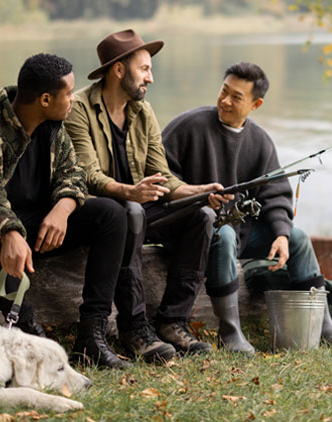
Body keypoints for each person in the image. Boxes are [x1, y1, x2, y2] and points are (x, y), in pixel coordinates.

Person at [0, 53, 136, 370]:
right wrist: (9, 233)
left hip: (39, 229)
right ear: (44, 99)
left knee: (111, 214)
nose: (72, 100)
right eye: (68, 94)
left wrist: (63, 209)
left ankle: (92, 337)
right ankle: (32, 339)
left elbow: (74, 175)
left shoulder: (53, 125)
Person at [161, 62, 332, 353]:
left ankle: (323, 324)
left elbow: (277, 195)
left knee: (298, 237)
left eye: (236, 97)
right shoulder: (187, 126)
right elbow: (160, 176)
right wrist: (197, 199)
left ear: (256, 104)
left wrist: (281, 233)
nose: (225, 101)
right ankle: (231, 331)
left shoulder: (261, 142)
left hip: (240, 232)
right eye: (223, 91)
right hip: (193, 232)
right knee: (225, 235)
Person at [65, 29, 228, 356]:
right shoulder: (79, 108)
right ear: (119, 70)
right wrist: (130, 192)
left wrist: (198, 191)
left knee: (203, 216)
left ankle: (172, 321)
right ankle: (134, 327)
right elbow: (87, 175)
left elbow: (162, 176)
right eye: (144, 69)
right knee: (132, 211)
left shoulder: (143, 112)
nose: (150, 78)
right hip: (103, 215)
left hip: (141, 208)